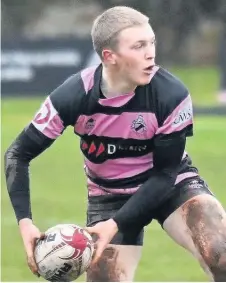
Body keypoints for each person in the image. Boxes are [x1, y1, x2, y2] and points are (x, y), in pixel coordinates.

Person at [4, 6, 226, 282]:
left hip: (173, 185)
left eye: (151, 42)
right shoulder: (73, 97)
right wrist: (25, 223)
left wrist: (115, 225)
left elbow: (165, 175)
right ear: (110, 56)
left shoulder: (171, 94)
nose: (151, 53)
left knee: (221, 252)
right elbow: (17, 154)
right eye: (138, 46)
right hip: (109, 196)